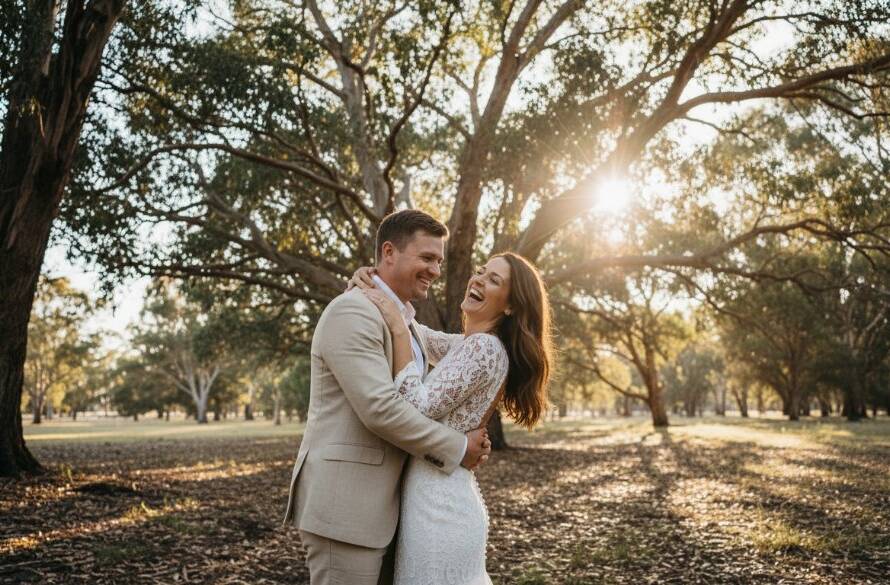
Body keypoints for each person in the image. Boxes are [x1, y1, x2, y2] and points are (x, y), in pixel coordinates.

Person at [283, 209, 493, 585]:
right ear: (389, 252)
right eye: (426, 258)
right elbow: (380, 409)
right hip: (347, 511)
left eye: (439, 261)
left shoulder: (407, 322)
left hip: (391, 510)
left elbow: (475, 351)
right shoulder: (352, 312)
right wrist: (458, 447)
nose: (435, 270)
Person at [348, 249, 553, 584]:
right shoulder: (469, 345)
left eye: (494, 280)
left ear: (511, 305)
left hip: (439, 510)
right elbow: (421, 336)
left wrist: (397, 329)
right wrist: (377, 285)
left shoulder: (483, 348)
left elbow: (419, 405)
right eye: (482, 271)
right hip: (437, 499)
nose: (479, 279)